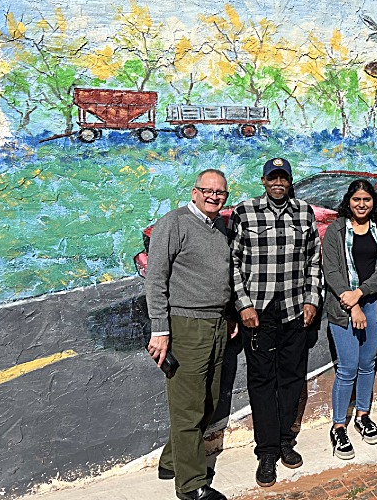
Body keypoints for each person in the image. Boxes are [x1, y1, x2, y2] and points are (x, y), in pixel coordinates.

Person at [229, 157, 323, 487]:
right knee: (261, 380)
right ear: (264, 180)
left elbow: (314, 260)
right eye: (273, 178)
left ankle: (285, 441)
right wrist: (243, 306)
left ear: (290, 181)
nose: (278, 183)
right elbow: (234, 264)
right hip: (259, 312)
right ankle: (266, 450)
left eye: (283, 177)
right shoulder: (245, 212)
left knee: (292, 378)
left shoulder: (304, 212)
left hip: (296, 309)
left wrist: (312, 298)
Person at [146, 169, 232, 500]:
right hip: (185, 325)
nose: (214, 196)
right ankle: (191, 485)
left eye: (220, 193)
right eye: (207, 190)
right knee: (188, 408)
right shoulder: (175, 223)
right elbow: (155, 278)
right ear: (194, 192)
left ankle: (172, 462)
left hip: (216, 323)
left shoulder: (218, 226)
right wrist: (161, 330)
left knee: (208, 401)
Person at [322, 179, 377, 460]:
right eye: (356, 200)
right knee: (348, 367)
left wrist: (361, 294)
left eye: (367, 199)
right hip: (343, 308)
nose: (362, 204)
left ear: (373, 202)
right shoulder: (335, 231)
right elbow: (331, 270)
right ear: (348, 202)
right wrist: (351, 302)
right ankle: (338, 425)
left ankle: (362, 415)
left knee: (368, 365)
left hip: (375, 306)